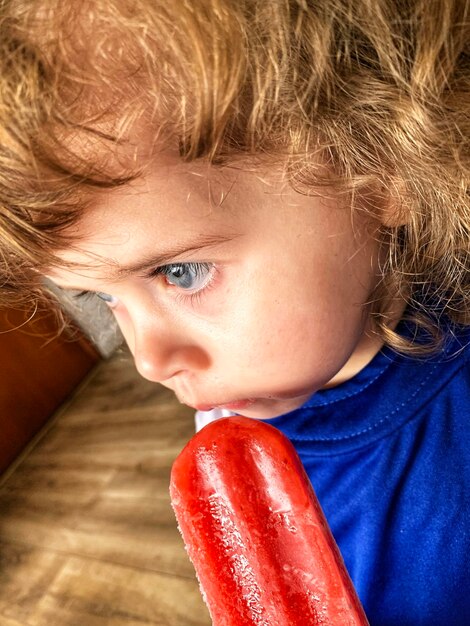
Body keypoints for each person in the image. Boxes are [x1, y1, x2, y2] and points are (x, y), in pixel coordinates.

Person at [0, 0, 468, 623]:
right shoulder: (238, 399)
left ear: (377, 166)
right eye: (102, 297)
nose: (149, 361)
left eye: (181, 273)